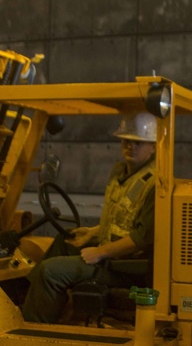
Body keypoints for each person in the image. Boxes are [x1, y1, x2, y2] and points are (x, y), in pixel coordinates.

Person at [22, 111, 157, 323]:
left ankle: (31, 327)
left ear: (154, 146)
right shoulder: (121, 172)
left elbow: (140, 239)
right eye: (127, 140)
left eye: (139, 142)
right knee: (63, 241)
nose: (131, 146)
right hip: (113, 256)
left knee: (50, 271)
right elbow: (121, 220)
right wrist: (93, 233)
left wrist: (99, 253)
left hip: (127, 267)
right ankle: (27, 297)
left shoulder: (154, 185)